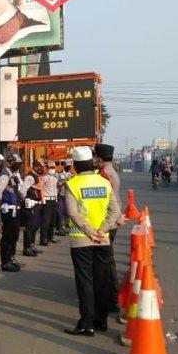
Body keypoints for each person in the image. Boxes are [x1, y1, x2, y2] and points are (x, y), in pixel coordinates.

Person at [63, 146, 121, 337]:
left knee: (85, 282)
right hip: (102, 240)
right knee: (101, 281)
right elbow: (115, 211)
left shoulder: (72, 184)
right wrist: (101, 231)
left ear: (76, 165)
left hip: (81, 240)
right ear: (91, 162)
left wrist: (88, 231)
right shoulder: (104, 182)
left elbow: (72, 213)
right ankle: (101, 320)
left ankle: (86, 323)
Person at [94, 143, 125, 313]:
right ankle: (111, 296)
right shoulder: (110, 172)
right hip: (112, 221)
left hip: (107, 222)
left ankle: (111, 299)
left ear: (99, 158)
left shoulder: (104, 174)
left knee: (105, 262)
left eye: (95, 157)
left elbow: (106, 201)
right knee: (107, 260)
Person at [0, 175, 22, 272]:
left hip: (14, 209)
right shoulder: (5, 175)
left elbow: (17, 191)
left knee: (14, 236)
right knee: (7, 236)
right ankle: (5, 262)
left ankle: (11, 258)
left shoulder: (14, 176)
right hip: (7, 209)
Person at [21, 161, 43, 256]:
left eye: (41, 166)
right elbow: (24, 190)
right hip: (31, 203)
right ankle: (27, 247)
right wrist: (24, 201)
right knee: (30, 226)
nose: (40, 168)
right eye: (38, 166)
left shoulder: (36, 176)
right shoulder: (30, 176)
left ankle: (31, 244)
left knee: (35, 225)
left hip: (36, 203)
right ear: (34, 166)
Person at [40, 161, 59, 246]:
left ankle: (50, 237)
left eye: (53, 167)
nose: (52, 169)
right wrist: (42, 199)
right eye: (50, 168)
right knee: (45, 220)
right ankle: (43, 238)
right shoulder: (44, 178)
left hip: (54, 199)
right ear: (47, 168)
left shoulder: (56, 177)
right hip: (47, 199)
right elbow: (41, 188)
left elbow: (57, 187)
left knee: (53, 220)